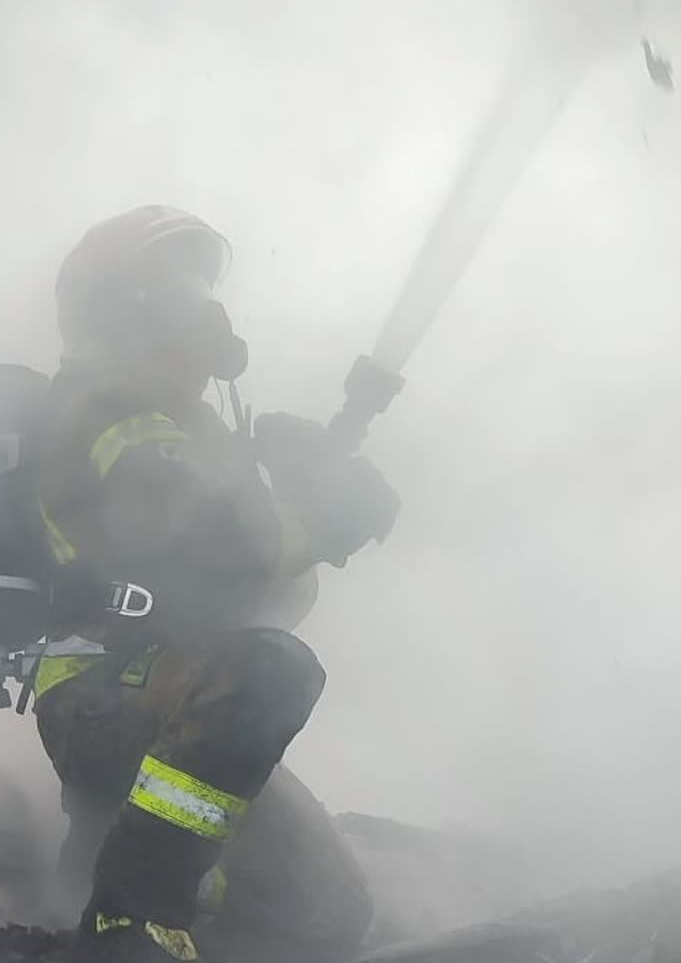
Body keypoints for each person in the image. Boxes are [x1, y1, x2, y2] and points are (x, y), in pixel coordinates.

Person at [32, 206, 400, 963]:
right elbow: (204, 546)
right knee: (271, 671)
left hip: (173, 691)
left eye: (197, 283)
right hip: (100, 692)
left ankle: (101, 854)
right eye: (168, 284)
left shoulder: (191, 429)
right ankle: (128, 923)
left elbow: (264, 595)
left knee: (330, 913)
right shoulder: (98, 412)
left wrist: (305, 483)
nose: (198, 306)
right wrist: (322, 522)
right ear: (114, 307)